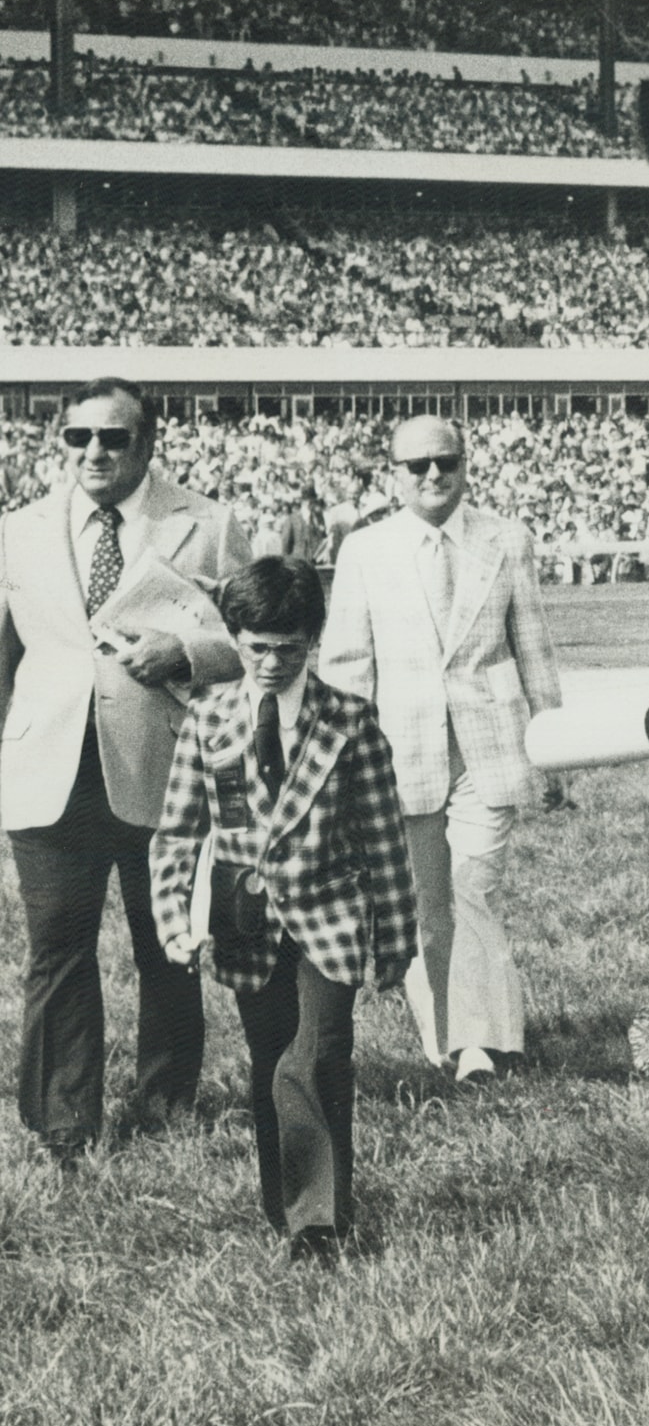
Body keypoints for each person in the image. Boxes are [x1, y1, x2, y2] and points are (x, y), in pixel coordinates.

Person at [0, 380, 248, 1164]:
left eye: (113, 438)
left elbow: (257, 639)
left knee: (166, 944)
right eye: (78, 438)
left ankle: (167, 1098)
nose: (95, 453)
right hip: (52, 768)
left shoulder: (207, 523)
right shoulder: (20, 531)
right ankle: (63, 1123)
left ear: (148, 442)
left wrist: (188, 654)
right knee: (58, 949)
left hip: (166, 764)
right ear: (61, 442)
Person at [148, 558, 417, 1261]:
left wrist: (396, 937)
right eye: (255, 647)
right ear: (234, 638)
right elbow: (179, 833)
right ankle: (288, 1201)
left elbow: (382, 837)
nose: (270, 663)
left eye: (287, 648)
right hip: (246, 926)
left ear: (313, 642)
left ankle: (318, 1222)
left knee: (320, 1053)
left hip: (331, 919)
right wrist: (176, 920)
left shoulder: (350, 722)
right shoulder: (208, 720)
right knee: (271, 1060)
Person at [320, 417, 562, 1085]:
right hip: (403, 755)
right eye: (417, 465)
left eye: (445, 462)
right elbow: (345, 667)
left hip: (493, 747)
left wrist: (555, 742)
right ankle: (452, 1035)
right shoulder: (365, 550)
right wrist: (342, 764)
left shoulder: (507, 539)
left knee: (470, 887)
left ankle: (480, 1044)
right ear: (393, 473)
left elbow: (534, 648)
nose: (433, 475)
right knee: (429, 903)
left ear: (465, 463)